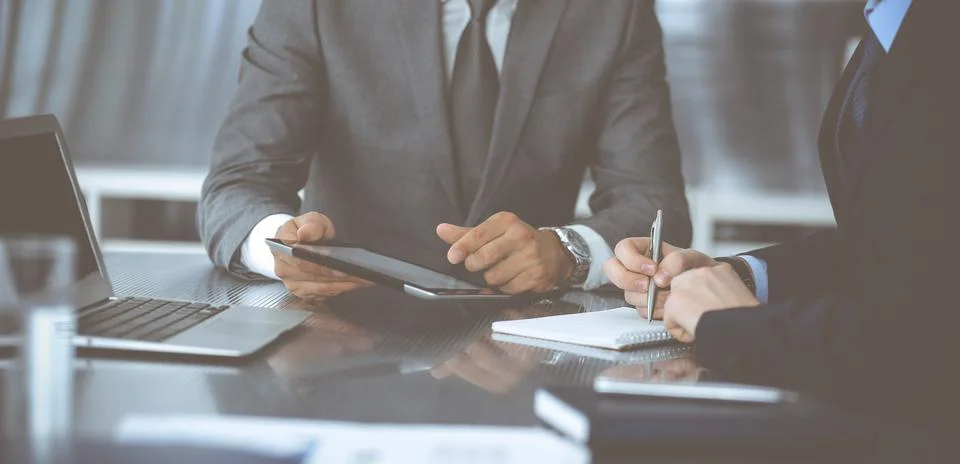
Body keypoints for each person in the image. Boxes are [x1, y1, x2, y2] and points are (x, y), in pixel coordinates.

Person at [198, 0, 691, 302]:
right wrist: (280, 248)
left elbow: (653, 204)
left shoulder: (614, 10)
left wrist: (569, 253)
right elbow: (239, 182)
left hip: (526, 344)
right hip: (340, 338)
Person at [605, 0, 959, 417]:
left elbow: (922, 340)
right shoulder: (892, 22)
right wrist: (739, 277)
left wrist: (740, 327)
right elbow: (900, 248)